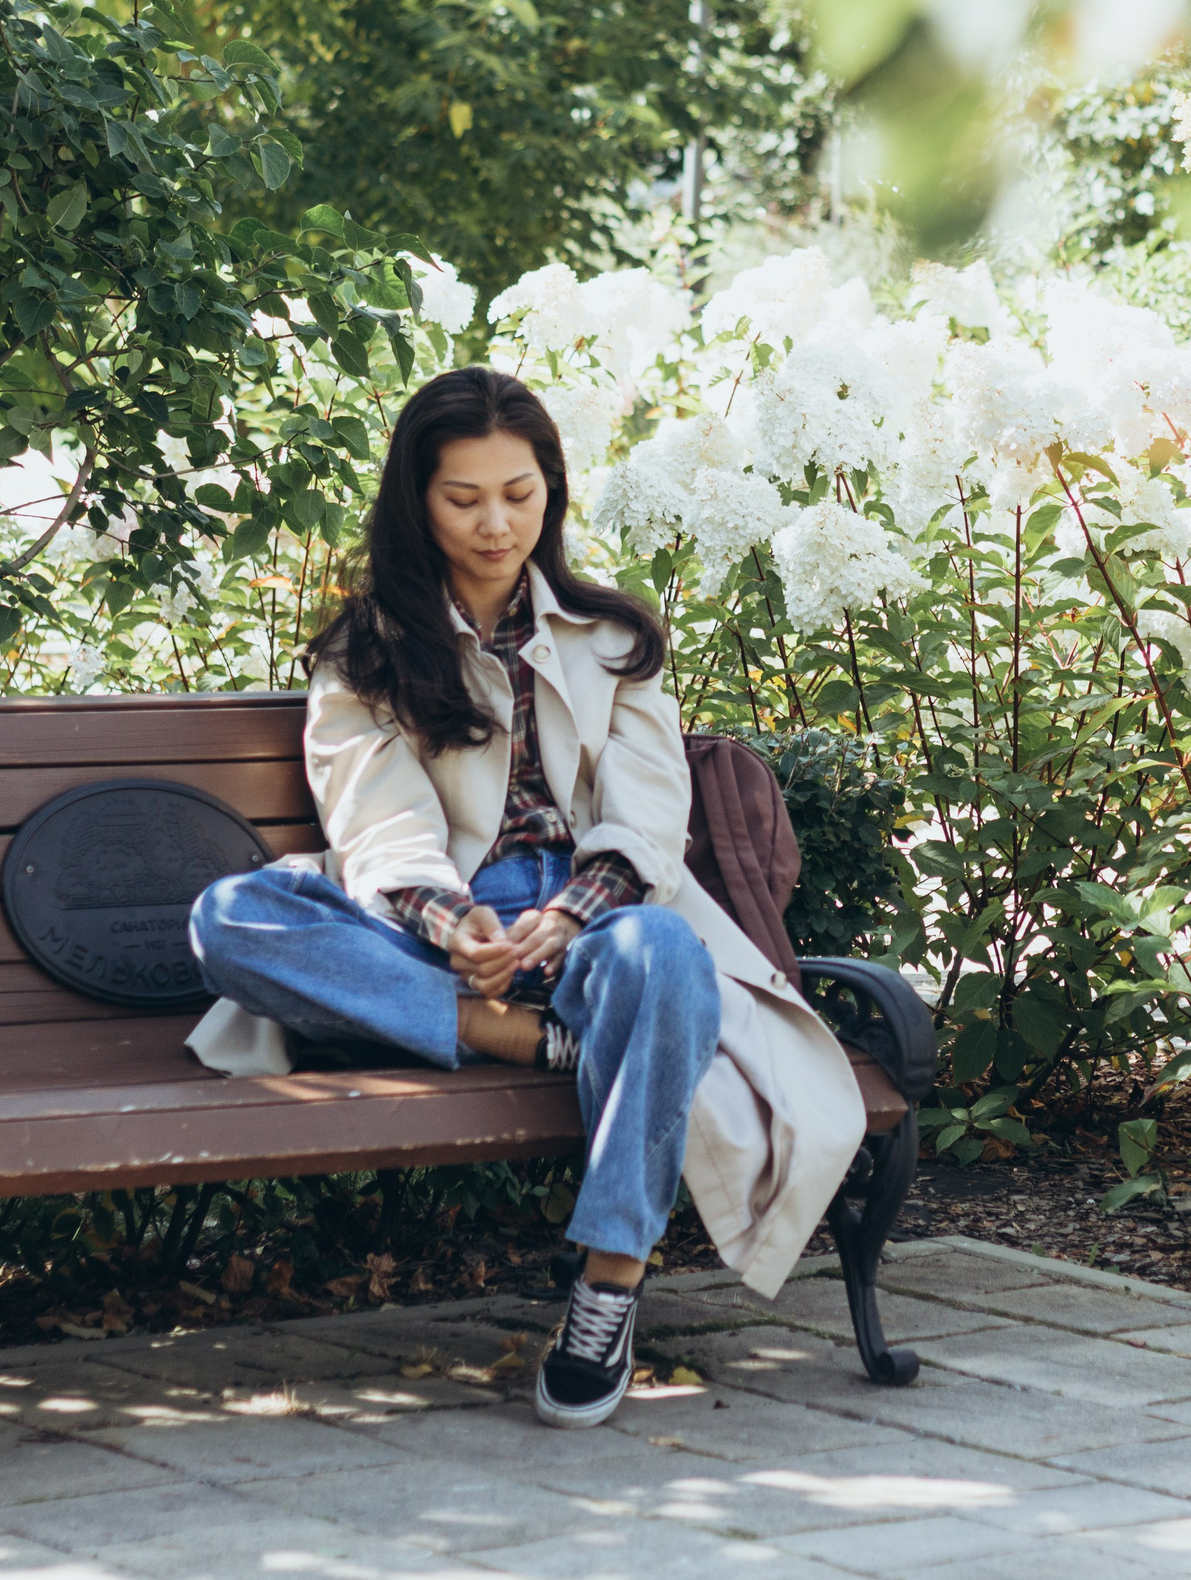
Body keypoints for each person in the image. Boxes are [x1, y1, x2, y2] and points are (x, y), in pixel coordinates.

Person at [186, 366, 864, 1429]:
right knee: (229, 918)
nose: (496, 522)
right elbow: (378, 826)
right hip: (437, 924)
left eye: (521, 492)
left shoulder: (615, 639)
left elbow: (647, 820)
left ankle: (608, 1283)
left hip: (595, 924)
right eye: (464, 498)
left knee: (667, 956)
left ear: (551, 490)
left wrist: (567, 916)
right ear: (416, 501)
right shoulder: (365, 653)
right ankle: (509, 1037)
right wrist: (454, 925)